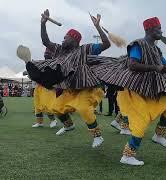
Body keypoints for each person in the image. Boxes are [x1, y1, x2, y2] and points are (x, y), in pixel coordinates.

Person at [89, 17, 166, 165]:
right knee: (141, 121)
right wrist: (155, 68)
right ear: (150, 29)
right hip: (134, 90)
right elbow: (133, 65)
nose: (161, 32)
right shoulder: (138, 45)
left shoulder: (156, 49)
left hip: (150, 90)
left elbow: (165, 69)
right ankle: (128, 156)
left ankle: (158, 136)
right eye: (159, 29)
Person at [25, 9, 111, 148]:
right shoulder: (59, 50)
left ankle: (97, 136)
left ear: (74, 39)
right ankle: (68, 125)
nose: (63, 40)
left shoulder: (85, 49)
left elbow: (106, 44)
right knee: (56, 108)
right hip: (69, 88)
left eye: (66, 38)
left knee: (84, 108)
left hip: (85, 87)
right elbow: (45, 41)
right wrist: (43, 24)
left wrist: (97, 27)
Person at [31, 48, 57, 128]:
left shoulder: (55, 64)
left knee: (47, 105)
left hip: (48, 88)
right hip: (39, 87)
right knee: (37, 105)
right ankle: (40, 122)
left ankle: (53, 120)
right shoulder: (41, 63)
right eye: (46, 53)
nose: (46, 54)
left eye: (48, 53)